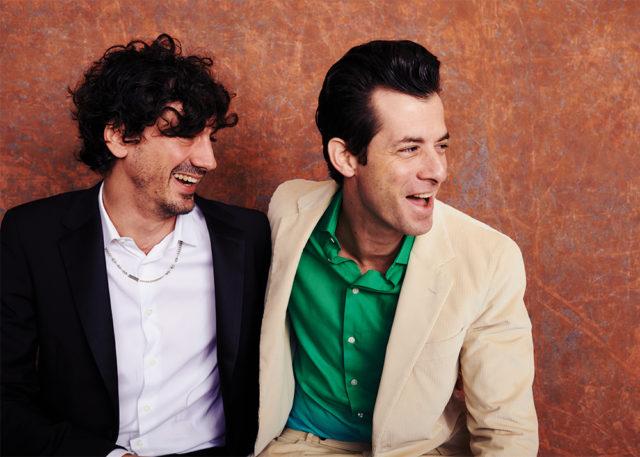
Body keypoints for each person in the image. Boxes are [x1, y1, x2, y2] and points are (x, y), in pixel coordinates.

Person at [255, 40, 537, 456]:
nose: (437, 171)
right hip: (302, 444)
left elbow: (505, 428)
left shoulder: (489, 259)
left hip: (422, 449)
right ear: (346, 157)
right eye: (410, 149)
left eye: (441, 145)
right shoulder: (288, 212)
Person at [1, 34, 270, 456]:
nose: (208, 160)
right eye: (185, 135)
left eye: (210, 138)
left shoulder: (250, 238)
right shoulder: (32, 235)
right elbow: (5, 396)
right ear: (119, 136)